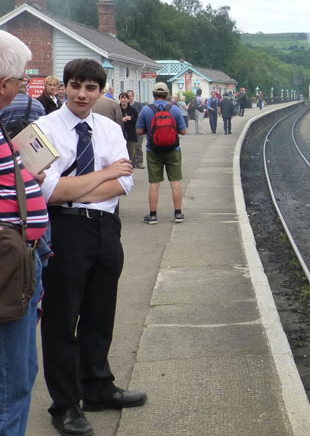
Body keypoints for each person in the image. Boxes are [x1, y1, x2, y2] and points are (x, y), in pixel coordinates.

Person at [35, 58, 145, 436]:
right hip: (63, 232)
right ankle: (65, 404)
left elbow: (125, 184)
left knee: (100, 313)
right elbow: (50, 191)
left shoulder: (110, 129)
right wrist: (105, 175)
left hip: (106, 230)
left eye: (91, 88)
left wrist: (80, 187)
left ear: (101, 91)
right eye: (76, 85)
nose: (83, 94)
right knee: (62, 320)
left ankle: (98, 387)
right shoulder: (42, 130)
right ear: (64, 86)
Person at [0, 31, 49, 436]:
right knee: (9, 384)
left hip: (20, 266)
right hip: (6, 269)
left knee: (21, 373)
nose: (21, 89)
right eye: (19, 82)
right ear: (4, 85)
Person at [136, 82, 187, 224]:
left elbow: (139, 131)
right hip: (173, 150)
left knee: (154, 183)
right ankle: (178, 214)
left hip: (153, 150)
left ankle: (152, 216)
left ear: (153, 94)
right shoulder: (175, 109)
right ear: (167, 95)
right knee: (175, 182)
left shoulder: (146, 110)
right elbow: (183, 131)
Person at [119, 92, 139, 164]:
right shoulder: (117, 109)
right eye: (122, 98)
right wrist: (121, 119)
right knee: (120, 153)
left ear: (128, 99)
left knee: (130, 152)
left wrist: (130, 118)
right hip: (120, 134)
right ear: (120, 99)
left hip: (131, 134)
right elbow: (114, 120)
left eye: (125, 98)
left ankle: (129, 166)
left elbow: (137, 119)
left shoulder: (133, 110)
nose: (123, 100)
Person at [127, 90, 144, 169]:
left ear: (133, 96)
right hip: (129, 129)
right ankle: (132, 162)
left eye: (130, 96)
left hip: (138, 128)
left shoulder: (138, 105)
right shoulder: (124, 106)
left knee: (138, 146)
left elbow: (142, 116)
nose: (129, 98)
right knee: (130, 147)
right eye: (127, 96)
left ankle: (139, 162)